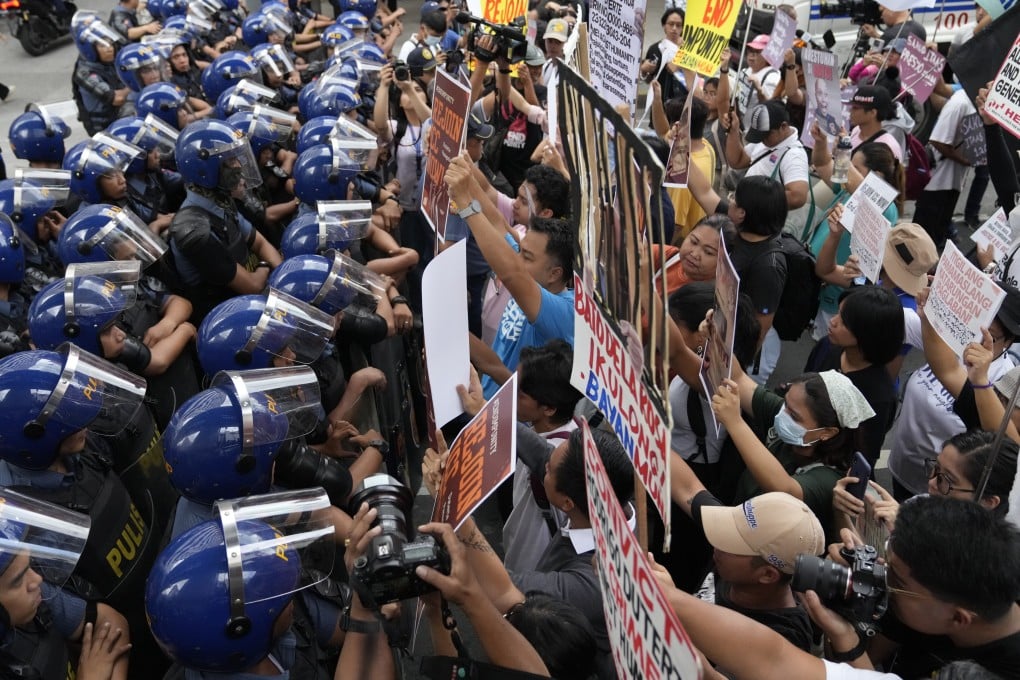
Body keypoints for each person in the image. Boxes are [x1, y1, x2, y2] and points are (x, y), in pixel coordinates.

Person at [448, 427, 635, 680]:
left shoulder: (596, 579)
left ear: (567, 502)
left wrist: (455, 503)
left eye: (548, 470)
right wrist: (491, 419)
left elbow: (504, 589)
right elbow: (539, 452)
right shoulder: (597, 500)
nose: (544, 462)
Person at [446, 154, 574, 399]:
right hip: (486, 399)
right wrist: (463, 167)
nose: (517, 256)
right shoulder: (533, 270)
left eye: (526, 256)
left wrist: (464, 204)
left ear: (554, 274)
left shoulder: (565, 312)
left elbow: (512, 273)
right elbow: (497, 223)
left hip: (512, 424)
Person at [710, 366, 875, 541]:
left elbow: (784, 489)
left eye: (794, 416)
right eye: (785, 403)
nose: (783, 414)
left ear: (827, 432)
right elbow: (738, 378)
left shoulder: (830, 479)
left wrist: (735, 423)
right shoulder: (790, 419)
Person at [0, 490, 132, 680]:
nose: (36, 580)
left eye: (28, 565)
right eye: (17, 580)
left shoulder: (33, 595)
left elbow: (112, 624)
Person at [167, 118, 283, 324]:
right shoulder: (195, 232)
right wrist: (267, 266)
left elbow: (260, 243)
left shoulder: (219, 200)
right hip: (232, 316)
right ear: (205, 170)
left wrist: (281, 275)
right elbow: (252, 286)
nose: (238, 164)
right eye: (230, 161)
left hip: (255, 287)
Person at [804, 286, 904, 468]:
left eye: (844, 322)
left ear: (868, 334)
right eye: (838, 313)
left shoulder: (879, 396)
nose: (833, 321)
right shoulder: (826, 346)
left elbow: (862, 459)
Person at [722, 101, 810, 237]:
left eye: (766, 135)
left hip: (763, 230)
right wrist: (733, 131)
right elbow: (737, 161)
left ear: (783, 127)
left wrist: (751, 202)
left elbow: (798, 196)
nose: (762, 140)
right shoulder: (767, 142)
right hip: (746, 220)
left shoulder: (794, 155)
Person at [914, 87, 977, 250]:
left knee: (936, 239)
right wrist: (964, 160)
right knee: (919, 240)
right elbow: (938, 140)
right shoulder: (960, 101)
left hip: (954, 183)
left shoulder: (976, 102)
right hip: (936, 182)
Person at [846, 86, 903, 160]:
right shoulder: (856, 130)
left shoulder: (889, 147)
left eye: (855, 108)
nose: (850, 111)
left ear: (872, 113)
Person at [862, 4, 926, 45]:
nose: (881, 16)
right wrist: (876, 35)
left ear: (891, 9)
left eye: (881, 12)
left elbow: (875, 59)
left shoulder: (890, 35)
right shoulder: (920, 29)